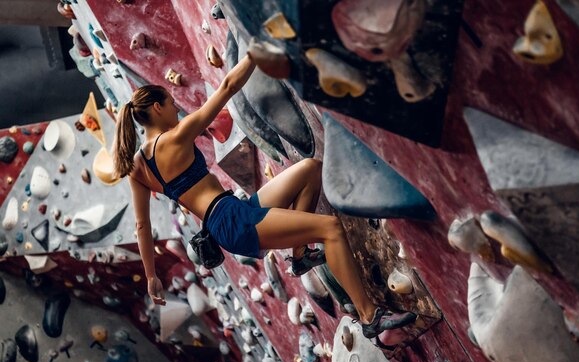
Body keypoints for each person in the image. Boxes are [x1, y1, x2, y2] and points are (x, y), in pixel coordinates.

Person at [112, 54, 416, 339]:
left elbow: (142, 226)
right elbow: (228, 86)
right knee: (330, 229)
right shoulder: (175, 137)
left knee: (310, 169)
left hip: (232, 214)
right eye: (170, 102)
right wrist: (254, 52)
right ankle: (369, 317)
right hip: (233, 221)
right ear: (156, 108)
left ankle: (300, 256)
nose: (176, 107)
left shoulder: (137, 167)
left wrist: (151, 275)